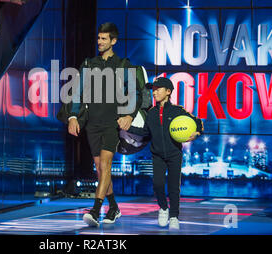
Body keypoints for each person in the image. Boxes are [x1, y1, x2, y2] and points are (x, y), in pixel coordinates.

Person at [68, 22, 142, 226]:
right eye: (98, 38)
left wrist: (128, 115)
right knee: (101, 170)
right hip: (92, 123)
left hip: (111, 123)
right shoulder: (89, 64)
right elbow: (77, 91)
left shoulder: (123, 64)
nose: (99, 42)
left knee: (106, 165)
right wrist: (73, 116)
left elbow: (135, 93)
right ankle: (114, 208)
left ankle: (95, 210)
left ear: (113, 41)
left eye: (103, 39)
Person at [127, 77, 204, 230]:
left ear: (168, 92)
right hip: (157, 155)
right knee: (158, 184)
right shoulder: (151, 113)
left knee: (174, 187)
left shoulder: (177, 110)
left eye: (157, 89)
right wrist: (127, 128)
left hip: (174, 154)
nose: (154, 92)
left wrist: (197, 133)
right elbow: (145, 133)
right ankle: (163, 208)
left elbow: (197, 122)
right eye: (153, 89)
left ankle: (174, 216)